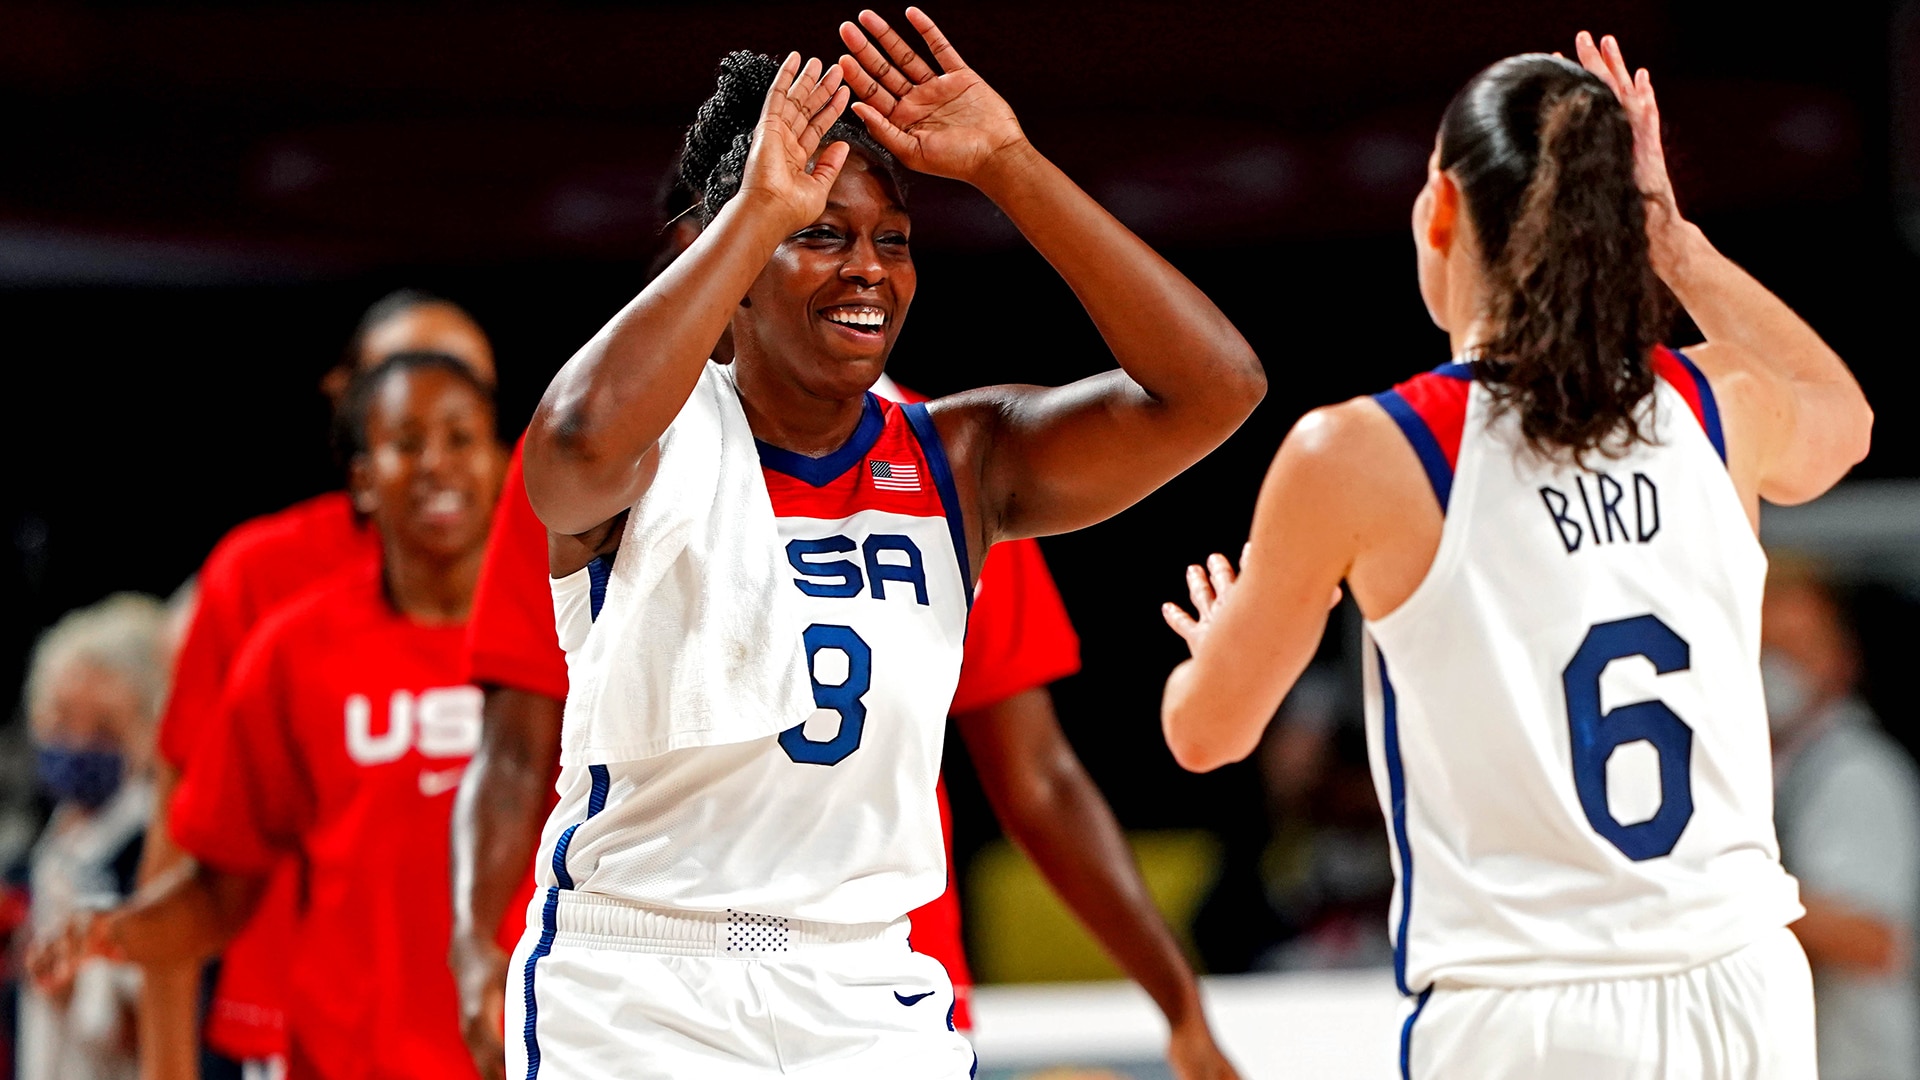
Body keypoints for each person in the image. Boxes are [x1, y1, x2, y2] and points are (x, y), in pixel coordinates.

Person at [513, 9, 1265, 1076]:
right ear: (741, 262)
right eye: (823, 234)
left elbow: (1217, 387)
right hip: (641, 979)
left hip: (865, 985)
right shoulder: (655, 440)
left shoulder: (962, 457)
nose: (868, 268)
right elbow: (569, 447)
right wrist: (757, 209)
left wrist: (1007, 165)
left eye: (894, 240)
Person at [1159, 32, 1871, 1080]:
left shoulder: (1363, 451)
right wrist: (1677, 246)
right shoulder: (1721, 402)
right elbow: (1846, 421)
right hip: (1743, 986)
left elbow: (1204, 736)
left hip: (1530, 1011)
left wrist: (1225, 640)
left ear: (1440, 207)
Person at [36, 352, 507, 1080]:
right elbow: (221, 887)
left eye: (461, 438)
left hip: (535, 1050)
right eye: (407, 443)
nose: (437, 465)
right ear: (362, 478)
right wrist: (122, 930)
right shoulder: (294, 649)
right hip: (349, 1060)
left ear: (499, 463)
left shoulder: (565, 631)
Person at [1763, 558, 1920, 1080]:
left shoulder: (1856, 771)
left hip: (1858, 1061)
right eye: (1764, 650)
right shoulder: (1773, 765)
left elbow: (1872, 941)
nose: (1774, 669)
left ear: (1841, 661)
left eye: (1794, 649)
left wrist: (1721, 887)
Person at [18, 594, 170, 1080]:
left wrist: (68, 989)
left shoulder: (157, 853)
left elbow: (162, 1023)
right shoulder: (39, 850)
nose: (79, 743)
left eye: (104, 728)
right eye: (62, 719)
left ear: (148, 731)